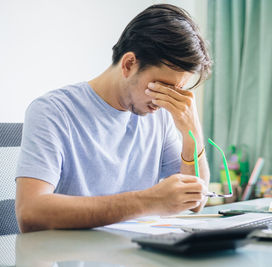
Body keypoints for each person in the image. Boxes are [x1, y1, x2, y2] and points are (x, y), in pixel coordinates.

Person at [15, 4, 212, 233]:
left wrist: (192, 131)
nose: (163, 101)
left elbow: (196, 202)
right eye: (162, 87)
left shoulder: (159, 118)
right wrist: (149, 201)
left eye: (177, 90)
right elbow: (30, 213)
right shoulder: (53, 111)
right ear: (129, 64)